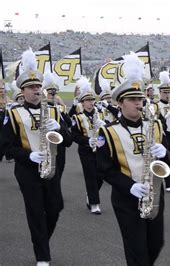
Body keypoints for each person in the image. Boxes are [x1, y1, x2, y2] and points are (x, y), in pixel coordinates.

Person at [96, 53, 170, 264]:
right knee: (137, 249)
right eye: (133, 100)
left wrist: (165, 153)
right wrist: (129, 186)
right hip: (127, 198)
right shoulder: (108, 132)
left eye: (140, 99)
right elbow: (103, 169)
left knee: (156, 244)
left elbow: (169, 162)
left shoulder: (154, 125)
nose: (138, 103)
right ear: (120, 103)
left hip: (155, 193)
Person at [1, 49, 72, 265]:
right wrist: (29, 156)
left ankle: (42, 240)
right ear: (22, 90)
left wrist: (59, 127)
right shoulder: (12, 114)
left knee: (55, 207)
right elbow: (5, 147)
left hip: (51, 169)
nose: (37, 90)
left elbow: (68, 141)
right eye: (32, 87)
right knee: (35, 211)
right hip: (27, 170)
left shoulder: (54, 111)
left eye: (38, 86)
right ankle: (42, 255)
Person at [71, 77, 106, 214]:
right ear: (82, 103)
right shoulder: (78, 118)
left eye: (92, 100)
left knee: (101, 175)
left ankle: (91, 193)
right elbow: (74, 136)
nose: (91, 103)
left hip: (101, 149)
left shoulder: (100, 114)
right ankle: (94, 203)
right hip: (86, 151)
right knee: (90, 175)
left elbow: (109, 132)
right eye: (88, 101)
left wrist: (105, 126)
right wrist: (87, 141)